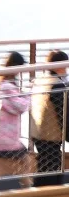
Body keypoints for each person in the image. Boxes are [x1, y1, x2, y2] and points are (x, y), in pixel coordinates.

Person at [0, 51, 32, 192]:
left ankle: (26, 186)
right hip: (8, 135)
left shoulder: (3, 84)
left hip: (5, 134)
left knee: (16, 162)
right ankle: (27, 187)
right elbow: (20, 106)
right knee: (12, 162)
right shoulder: (7, 86)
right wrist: (29, 94)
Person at [32, 49, 69, 186]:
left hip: (37, 131)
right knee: (52, 167)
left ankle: (39, 191)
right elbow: (62, 111)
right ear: (59, 66)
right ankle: (47, 194)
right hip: (50, 134)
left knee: (45, 164)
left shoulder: (40, 81)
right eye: (65, 65)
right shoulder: (57, 85)